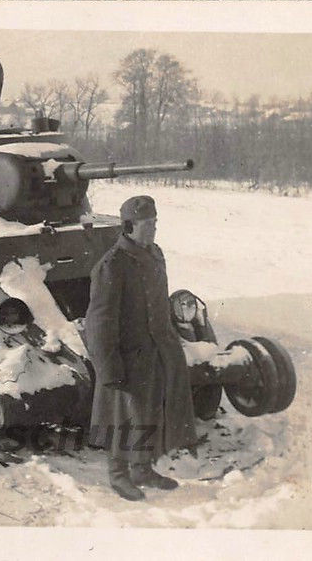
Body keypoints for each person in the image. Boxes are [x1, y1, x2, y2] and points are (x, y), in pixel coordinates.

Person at [85, 195, 197, 501]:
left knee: (150, 412)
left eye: (155, 222)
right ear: (129, 226)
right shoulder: (112, 265)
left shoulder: (154, 253)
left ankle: (142, 469)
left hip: (156, 351)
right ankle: (118, 475)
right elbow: (99, 321)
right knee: (122, 415)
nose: (153, 229)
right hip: (127, 355)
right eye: (147, 224)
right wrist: (108, 367)